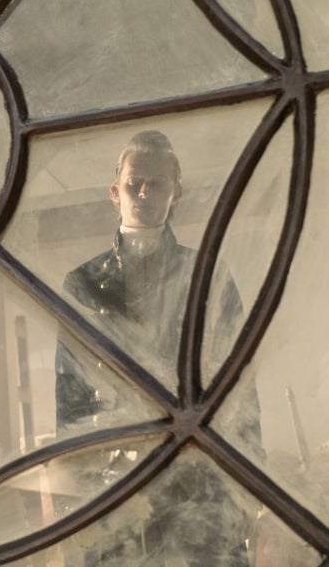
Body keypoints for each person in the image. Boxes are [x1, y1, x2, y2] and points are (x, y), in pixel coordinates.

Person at [54, 130, 260, 565]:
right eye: (134, 183)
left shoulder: (209, 274)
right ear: (116, 192)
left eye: (158, 183)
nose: (144, 193)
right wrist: (78, 494)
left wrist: (249, 485)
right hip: (117, 481)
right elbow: (71, 394)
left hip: (202, 470)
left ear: (175, 193)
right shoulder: (82, 283)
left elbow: (240, 385)